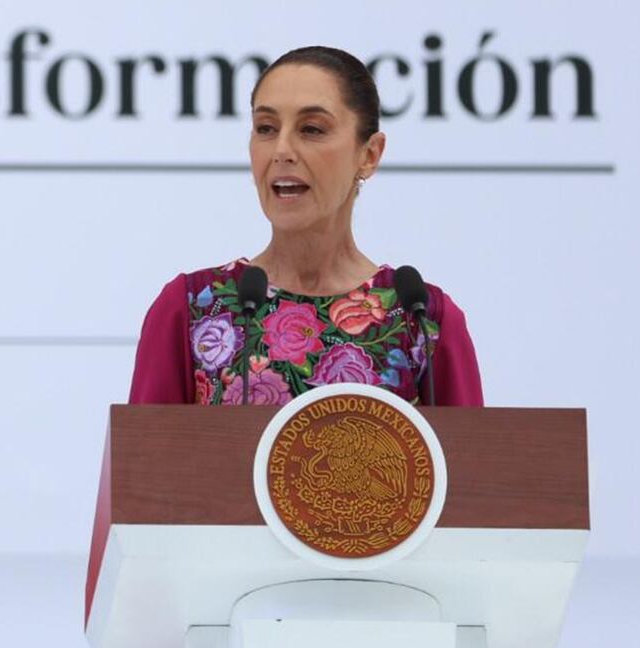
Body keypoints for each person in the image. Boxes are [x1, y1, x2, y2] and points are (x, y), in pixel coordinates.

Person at [128, 46, 483, 407]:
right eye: (265, 128)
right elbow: (144, 461)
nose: (282, 150)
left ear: (370, 154)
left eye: (311, 129)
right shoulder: (192, 309)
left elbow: (472, 462)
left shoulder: (421, 319)